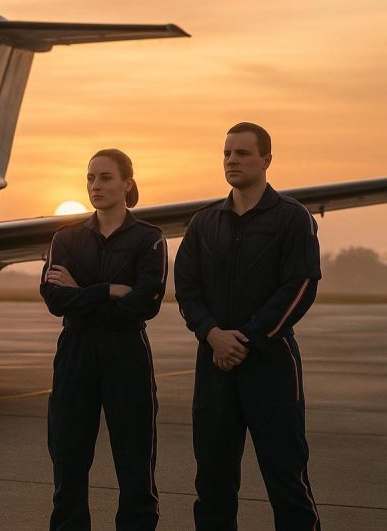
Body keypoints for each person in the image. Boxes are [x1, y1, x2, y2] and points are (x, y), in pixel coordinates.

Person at [175, 122, 321, 530]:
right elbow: (186, 288)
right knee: (213, 482)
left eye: (241, 153)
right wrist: (212, 334)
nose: (232, 161)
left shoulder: (293, 219)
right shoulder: (203, 223)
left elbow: (301, 286)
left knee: (286, 478)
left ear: (266, 160)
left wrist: (249, 339)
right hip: (215, 364)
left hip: (271, 364)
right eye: (226, 154)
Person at [40, 149, 167, 530]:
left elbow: (145, 303)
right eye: (91, 177)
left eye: (106, 177)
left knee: (135, 465)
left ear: (127, 183)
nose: (96, 185)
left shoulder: (150, 239)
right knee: (68, 462)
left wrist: (82, 293)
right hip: (75, 353)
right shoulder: (65, 238)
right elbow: (53, 298)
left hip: (127, 353)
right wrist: (109, 289)